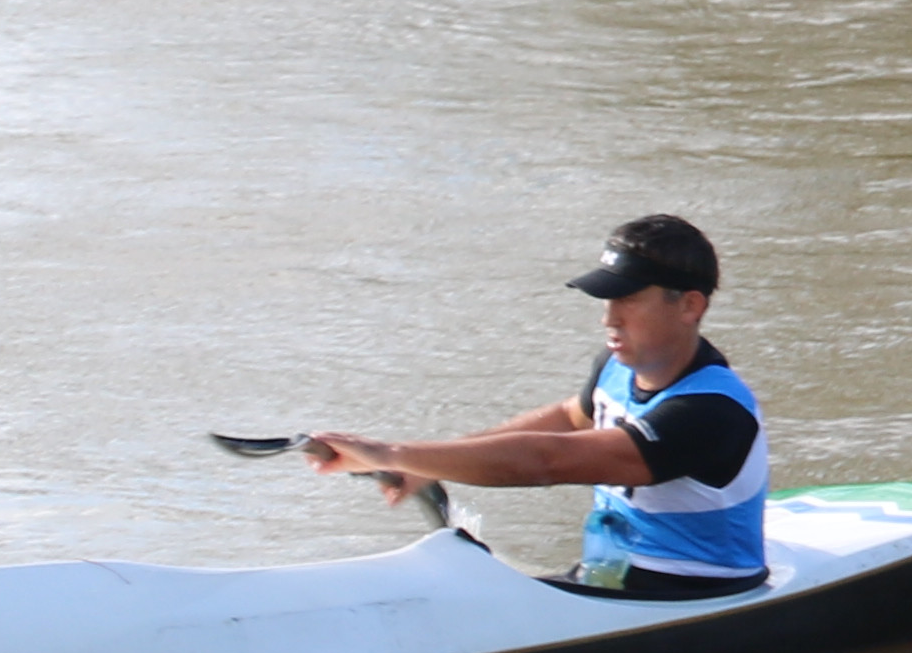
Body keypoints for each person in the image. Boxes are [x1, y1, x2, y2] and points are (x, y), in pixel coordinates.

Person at [292, 213, 771, 595]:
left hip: (691, 597)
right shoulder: (616, 366)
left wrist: (392, 453)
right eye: (605, 299)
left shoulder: (710, 412)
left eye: (627, 298)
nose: (609, 316)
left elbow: (547, 461)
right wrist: (431, 466)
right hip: (610, 580)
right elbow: (568, 420)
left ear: (690, 306)